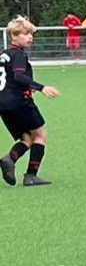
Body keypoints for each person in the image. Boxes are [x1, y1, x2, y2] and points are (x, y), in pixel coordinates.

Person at [0, 17, 61, 187]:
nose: (30, 37)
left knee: (27, 137)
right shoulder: (19, 54)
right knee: (40, 135)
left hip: (3, 104)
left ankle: (9, 159)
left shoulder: (4, 55)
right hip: (19, 101)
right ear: (14, 36)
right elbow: (19, 76)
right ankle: (31, 176)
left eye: (31, 34)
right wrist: (41, 87)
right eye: (25, 34)